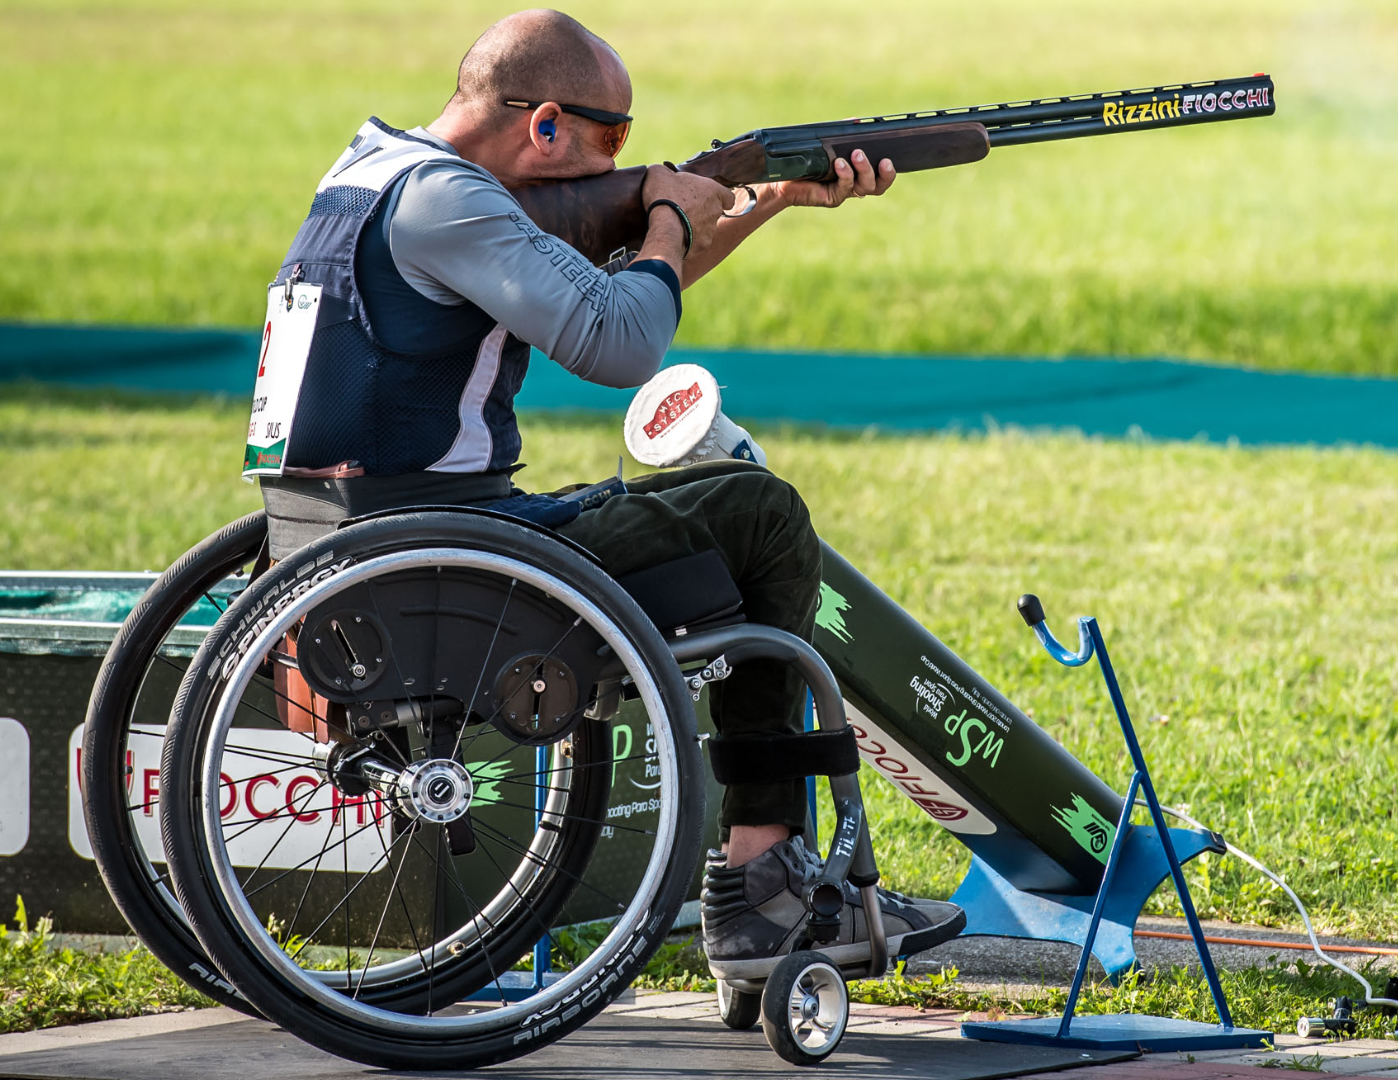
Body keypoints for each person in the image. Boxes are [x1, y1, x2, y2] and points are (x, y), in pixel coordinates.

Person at [245, 8, 963, 979]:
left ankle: (770, 874)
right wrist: (667, 216)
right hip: (455, 558)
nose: (619, 162)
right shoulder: (451, 203)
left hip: (350, 551)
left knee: (717, 512)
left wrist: (769, 199)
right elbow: (622, 345)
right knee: (758, 514)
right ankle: (764, 878)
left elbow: (619, 299)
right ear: (542, 125)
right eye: (612, 139)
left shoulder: (374, 175)